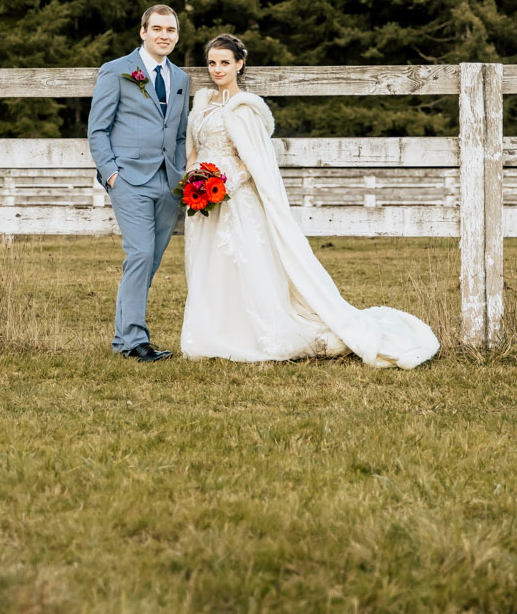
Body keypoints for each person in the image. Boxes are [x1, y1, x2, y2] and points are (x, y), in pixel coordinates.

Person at [180, 33, 438, 368]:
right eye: (212, 63)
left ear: (239, 64)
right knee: (209, 265)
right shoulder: (201, 106)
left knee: (241, 263)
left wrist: (222, 185)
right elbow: (195, 151)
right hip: (203, 201)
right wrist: (194, 183)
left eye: (225, 63)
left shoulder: (244, 108)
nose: (217, 69)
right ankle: (211, 332)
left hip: (234, 197)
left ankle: (249, 334)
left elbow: (253, 160)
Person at [86, 5, 189, 361]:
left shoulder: (181, 78)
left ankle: (123, 338)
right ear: (143, 32)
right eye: (157, 28)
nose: (165, 35)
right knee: (140, 254)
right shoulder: (117, 71)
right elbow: (97, 128)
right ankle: (133, 341)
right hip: (129, 179)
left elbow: (177, 133)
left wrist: (180, 171)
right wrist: (113, 174)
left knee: (151, 260)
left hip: (168, 182)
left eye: (171, 30)